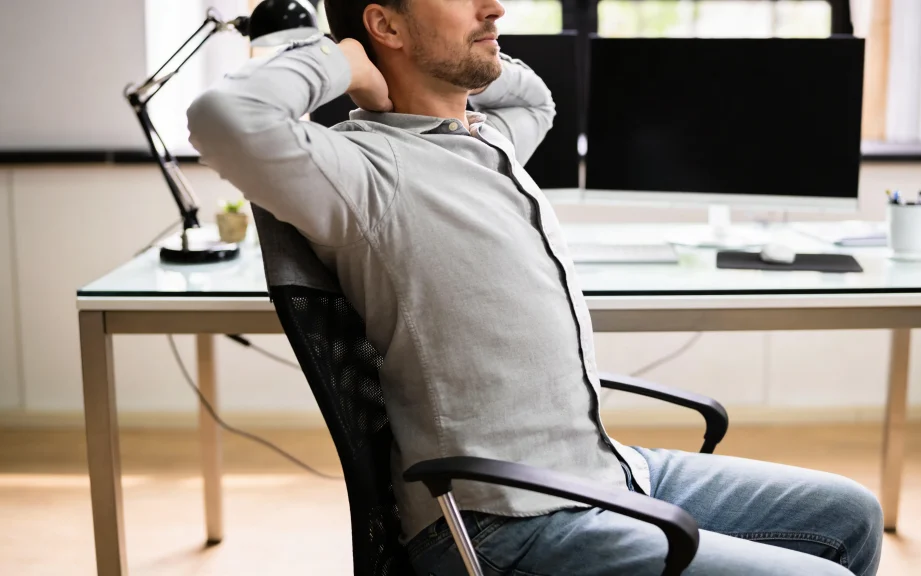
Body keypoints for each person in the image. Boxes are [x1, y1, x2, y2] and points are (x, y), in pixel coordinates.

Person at [186, 0, 883, 573]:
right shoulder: (361, 172)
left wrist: (464, 61)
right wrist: (345, 64)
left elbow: (536, 97)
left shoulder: (483, 142)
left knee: (849, 516)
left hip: (602, 470)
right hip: (505, 521)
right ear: (386, 26)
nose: (495, 7)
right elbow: (224, 118)